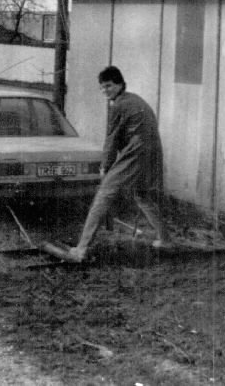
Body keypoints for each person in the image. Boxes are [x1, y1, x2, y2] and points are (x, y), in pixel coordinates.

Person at [67, 65, 169, 262]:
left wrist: (105, 166)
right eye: (102, 87)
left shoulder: (119, 106)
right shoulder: (135, 99)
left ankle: (81, 248)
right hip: (152, 152)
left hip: (138, 151)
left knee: (104, 194)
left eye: (109, 86)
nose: (105, 91)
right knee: (142, 196)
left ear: (121, 84)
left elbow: (112, 139)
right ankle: (165, 239)